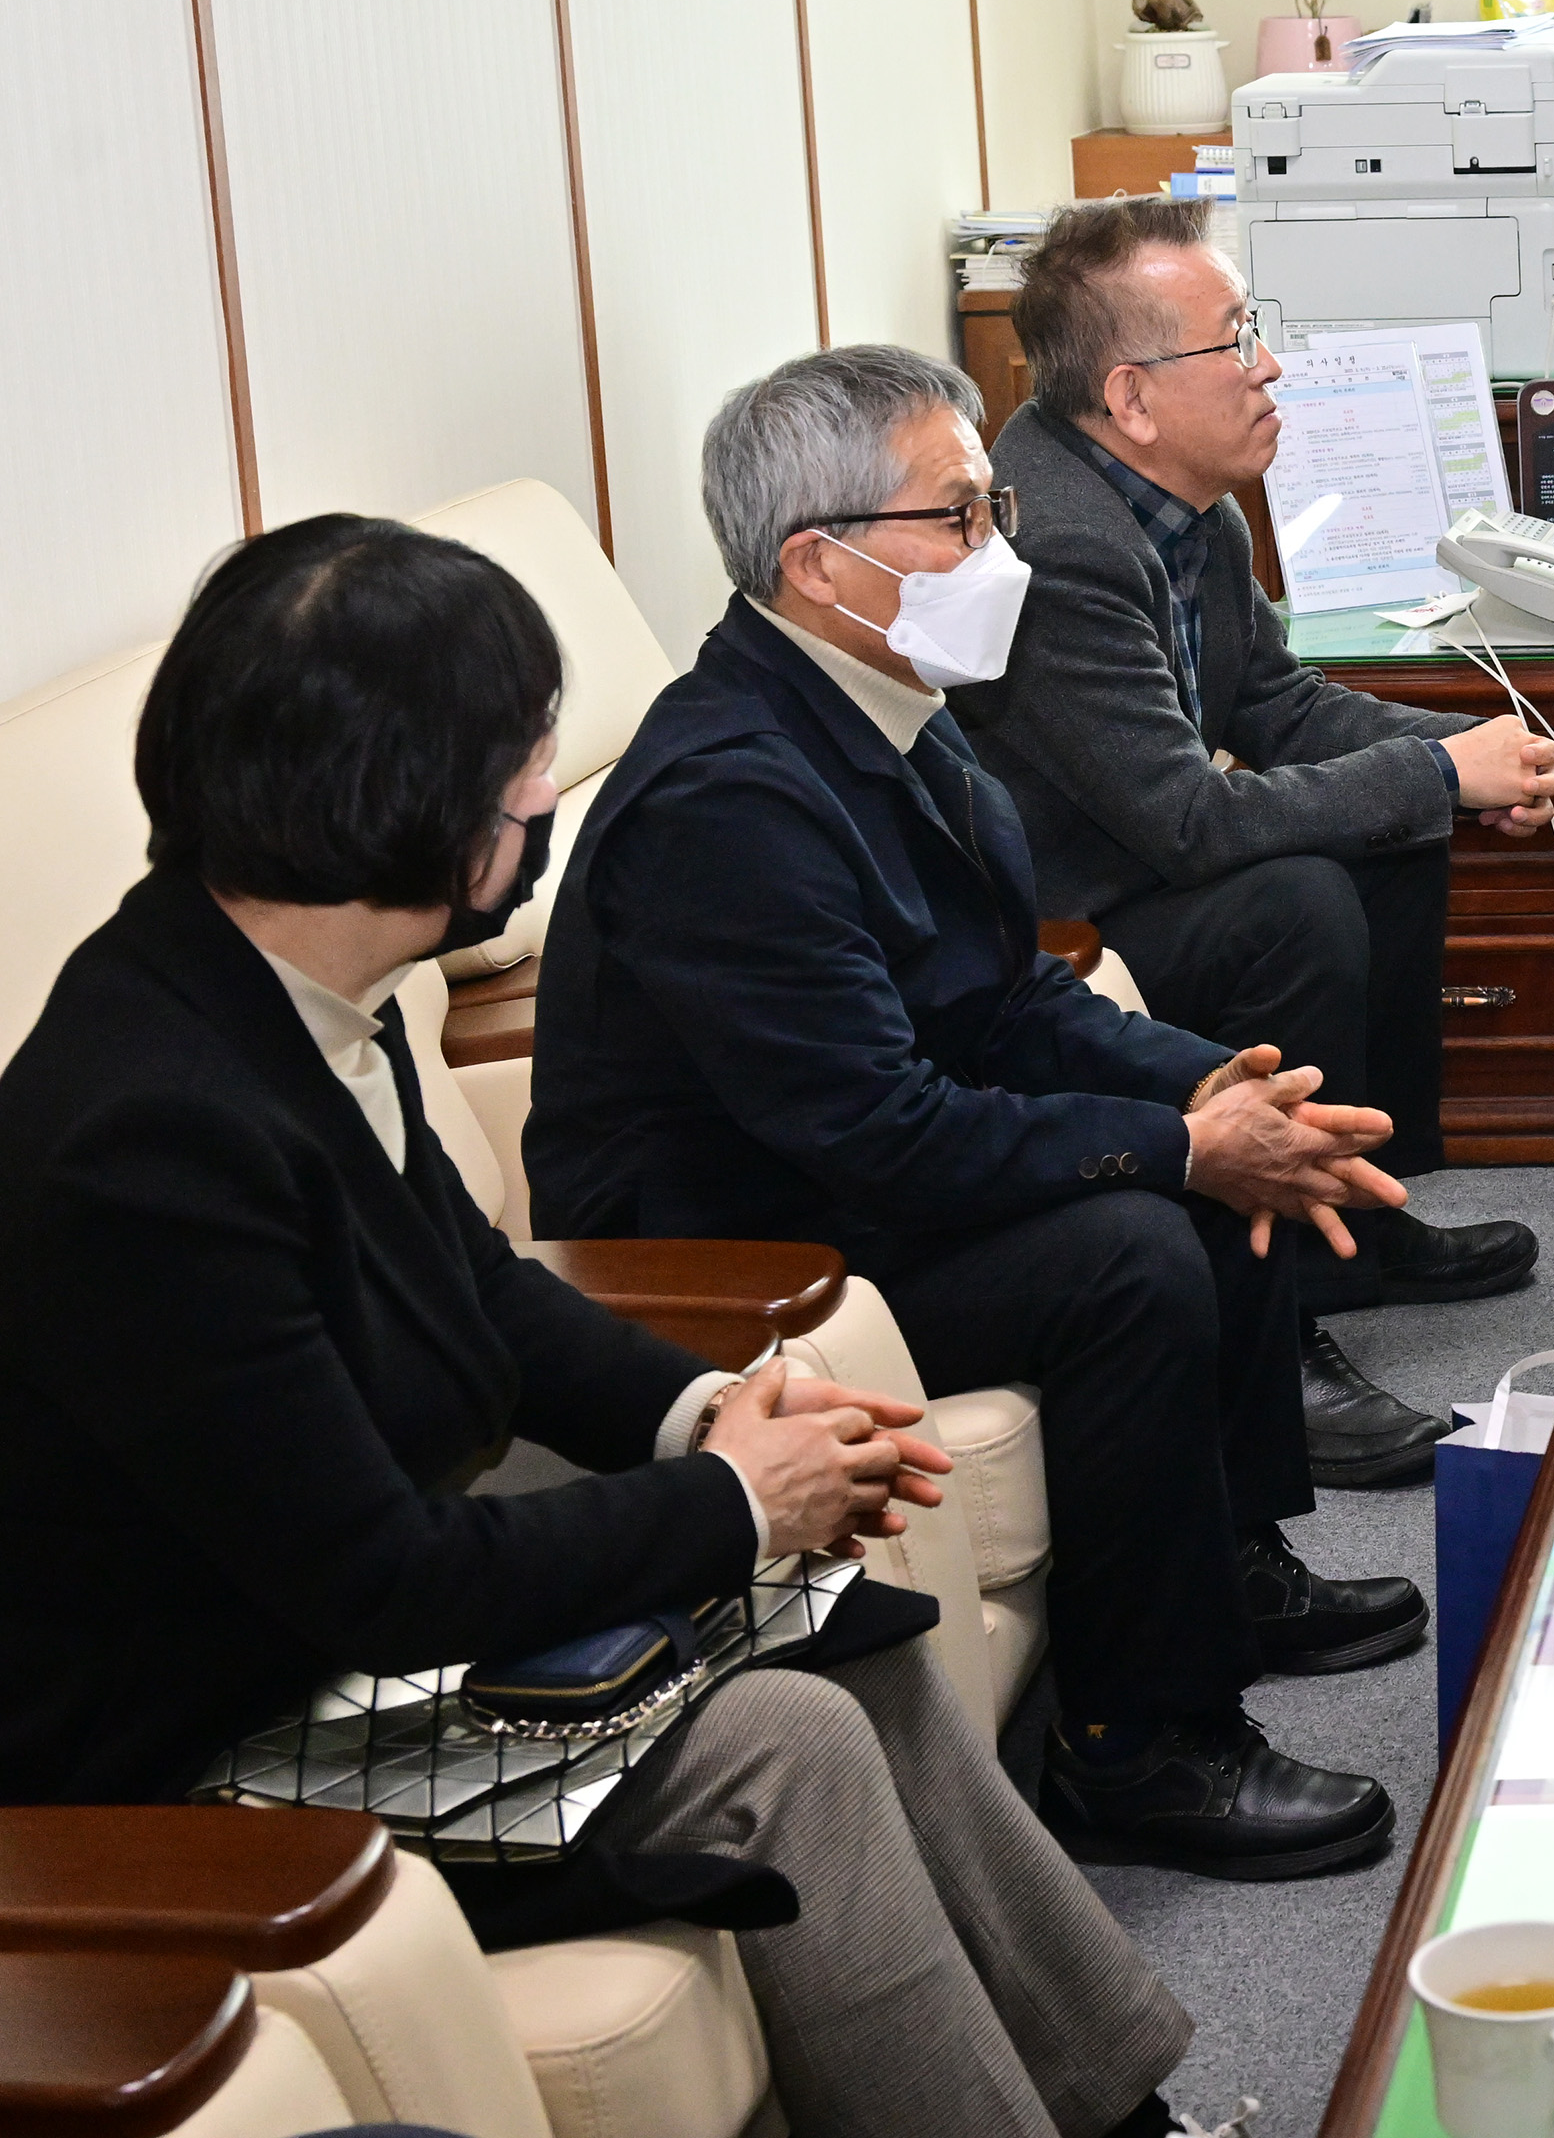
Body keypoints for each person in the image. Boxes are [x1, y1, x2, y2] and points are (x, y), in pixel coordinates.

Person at [0, 517, 1197, 2138]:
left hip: (340, 1631)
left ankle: (1118, 2107)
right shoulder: (154, 1135)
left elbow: (480, 1286)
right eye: (522, 769)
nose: (545, 796)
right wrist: (730, 1507)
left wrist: (703, 1416)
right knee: (790, 1737)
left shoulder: (278, 990)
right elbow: (374, 1577)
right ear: (405, 810)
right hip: (214, 1747)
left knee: (861, 1643)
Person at [527, 345, 1431, 1879]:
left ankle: (1229, 1568)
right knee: (1136, 1247)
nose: (998, 548)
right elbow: (877, 1129)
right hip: (747, 1250)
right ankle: (1144, 1749)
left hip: (858, 1164)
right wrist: (1176, 1147)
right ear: (822, 562)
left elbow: (1004, 996)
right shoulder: (731, 796)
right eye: (961, 516)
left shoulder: (888, 700)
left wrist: (1209, 1085)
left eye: (994, 505)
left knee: (1233, 1130)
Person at [956, 194, 1551, 1326]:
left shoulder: (1190, 503)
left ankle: (1365, 1214)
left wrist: (1469, 755)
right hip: (1061, 920)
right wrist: (1436, 775)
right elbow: (1186, 819)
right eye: (1234, 338)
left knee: (1391, 839)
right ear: (1129, 397)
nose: (1268, 364)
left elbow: (1276, 703)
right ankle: (1297, 1295)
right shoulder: (1064, 548)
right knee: (1300, 898)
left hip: (1144, 857)